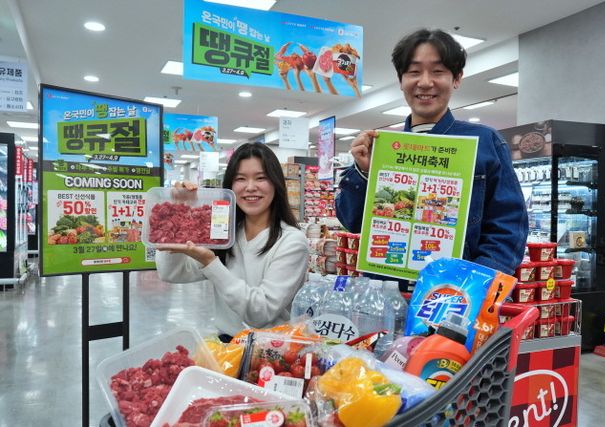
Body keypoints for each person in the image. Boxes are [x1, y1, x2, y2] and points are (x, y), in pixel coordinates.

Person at [336, 29, 528, 282]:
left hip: (456, 294)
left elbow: (509, 227)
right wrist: (364, 173)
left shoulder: (485, 142)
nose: (425, 82)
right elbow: (353, 222)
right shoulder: (381, 148)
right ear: (401, 80)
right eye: (414, 72)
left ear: (456, 78)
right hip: (389, 291)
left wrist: (474, 282)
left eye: (438, 71)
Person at [155, 143, 309, 336]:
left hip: (270, 349)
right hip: (226, 345)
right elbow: (171, 274)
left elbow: (260, 312)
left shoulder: (291, 242)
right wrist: (178, 211)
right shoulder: (223, 232)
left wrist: (211, 263)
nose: (250, 187)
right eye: (240, 179)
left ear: (276, 183)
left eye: (261, 178)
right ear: (230, 186)